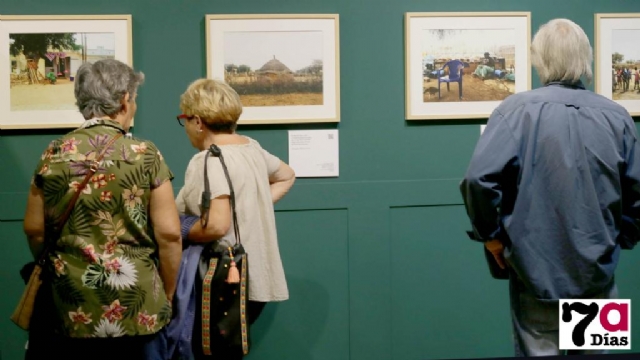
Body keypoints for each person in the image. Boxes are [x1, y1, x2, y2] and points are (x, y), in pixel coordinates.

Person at [459, 18, 640, 357]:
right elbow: (638, 193)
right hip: (597, 275)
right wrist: (621, 238)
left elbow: (477, 180)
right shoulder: (617, 116)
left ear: (539, 59)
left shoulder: (514, 111)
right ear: (585, 59)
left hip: (534, 275)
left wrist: (492, 237)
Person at [22, 59, 182, 359]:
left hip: (71, 307)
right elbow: (170, 234)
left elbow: (33, 229)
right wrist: (168, 294)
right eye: (133, 99)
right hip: (138, 308)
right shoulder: (145, 154)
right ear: (124, 100)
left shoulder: (55, 152)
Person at [169, 78, 295, 359]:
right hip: (257, 276)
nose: (186, 127)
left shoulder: (208, 159)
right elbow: (287, 175)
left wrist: (179, 229)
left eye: (185, 119)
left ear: (198, 121)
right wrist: (252, 206)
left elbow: (216, 225)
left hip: (221, 280)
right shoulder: (251, 149)